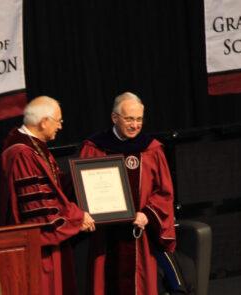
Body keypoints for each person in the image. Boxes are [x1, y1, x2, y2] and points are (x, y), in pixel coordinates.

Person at [0, 96, 95, 295]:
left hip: (43, 247)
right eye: (59, 121)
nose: (61, 126)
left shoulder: (36, 148)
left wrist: (84, 173)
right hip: (37, 251)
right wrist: (77, 217)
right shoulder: (22, 154)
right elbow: (39, 207)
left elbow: (54, 189)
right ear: (44, 121)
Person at [79, 92, 177, 295]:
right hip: (105, 236)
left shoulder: (151, 149)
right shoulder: (95, 147)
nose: (135, 125)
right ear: (115, 118)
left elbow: (164, 192)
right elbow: (82, 189)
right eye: (129, 119)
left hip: (138, 236)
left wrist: (147, 214)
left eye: (139, 119)